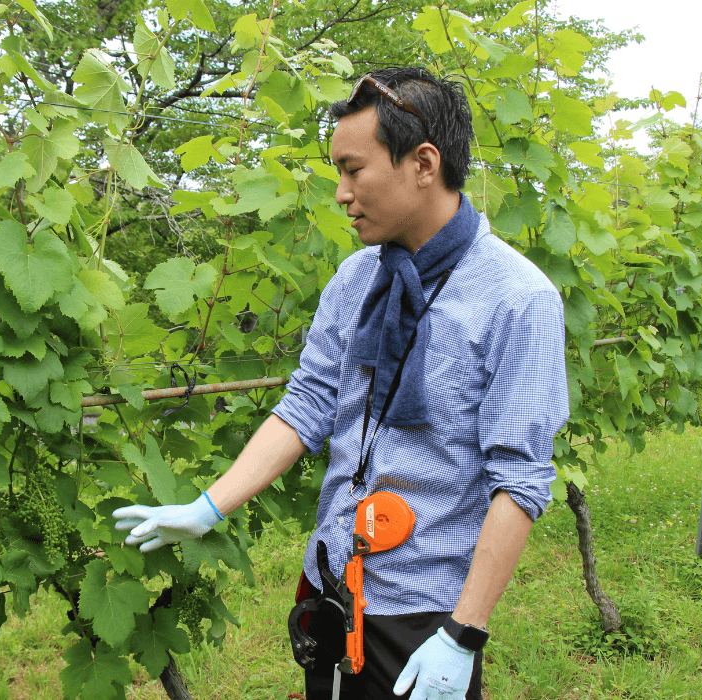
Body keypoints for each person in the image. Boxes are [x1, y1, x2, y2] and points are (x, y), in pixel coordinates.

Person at [112, 66, 568, 700]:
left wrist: (463, 634)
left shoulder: (516, 299)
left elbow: (519, 479)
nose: (340, 193)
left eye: (354, 170)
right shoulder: (355, 281)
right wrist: (208, 507)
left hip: (421, 619)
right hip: (331, 592)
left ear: (424, 163)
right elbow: (309, 404)